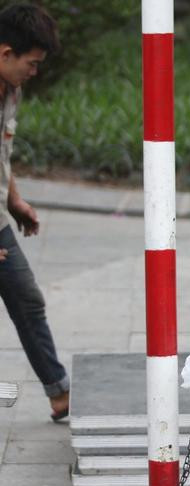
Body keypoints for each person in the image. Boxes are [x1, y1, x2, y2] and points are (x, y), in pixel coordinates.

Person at [0, 5, 68, 422]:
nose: (34, 72)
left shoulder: (11, 90)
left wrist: (14, 200)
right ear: (6, 52)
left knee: (26, 298)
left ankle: (59, 393)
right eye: (32, 63)